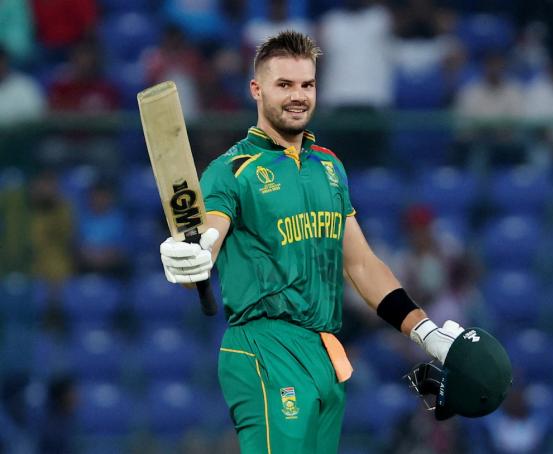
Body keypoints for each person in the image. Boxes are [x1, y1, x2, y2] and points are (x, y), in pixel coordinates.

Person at [158, 31, 468, 453]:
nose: (298, 96)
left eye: (307, 84)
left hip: (324, 351)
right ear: (257, 89)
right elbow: (209, 232)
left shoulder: (330, 166)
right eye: (284, 84)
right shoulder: (231, 170)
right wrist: (195, 255)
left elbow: (360, 264)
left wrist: (424, 330)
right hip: (265, 347)